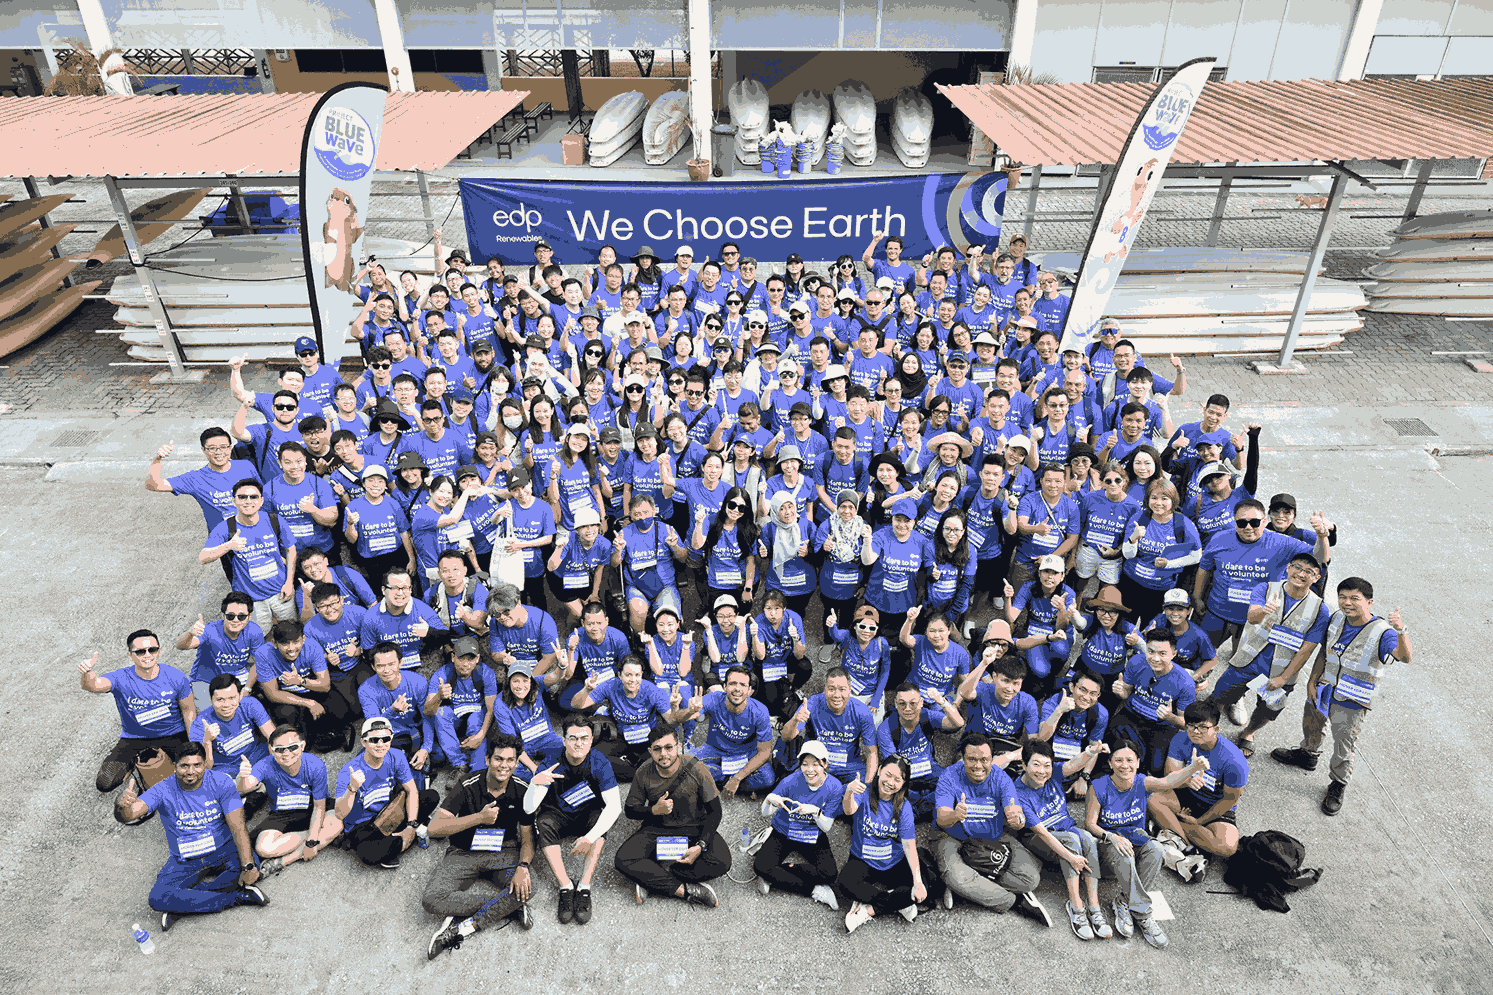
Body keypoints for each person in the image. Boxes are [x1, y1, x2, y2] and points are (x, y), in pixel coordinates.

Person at [1271, 577, 1411, 815]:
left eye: (1354, 598)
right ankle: (1308, 754)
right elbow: (1324, 653)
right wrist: (1312, 681)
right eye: (1343, 597)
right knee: (1312, 723)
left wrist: (1400, 631)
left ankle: (1338, 784)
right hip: (1325, 687)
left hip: (1352, 699)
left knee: (1343, 743)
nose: (1347, 603)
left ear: (1369, 602)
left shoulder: (1383, 632)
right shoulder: (1336, 618)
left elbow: (1404, 656)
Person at [113, 742, 268, 930]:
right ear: (175, 766)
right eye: (184, 766)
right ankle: (235, 898)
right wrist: (122, 807)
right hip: (185, 859)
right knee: (158, 897)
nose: (190, 771)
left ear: (205, 764)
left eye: (197, 765)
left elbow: (238, 827)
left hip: (223, 849)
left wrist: (248, 866)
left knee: (252, 866)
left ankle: (185, 904)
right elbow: (130, 815)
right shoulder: (162, 789)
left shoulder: (221, 782)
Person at [1084, 738, 1211, 948]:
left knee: (1156, 849)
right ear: (1110, 763)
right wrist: (1112, 837)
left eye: (1129, 760)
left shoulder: (1142, 782)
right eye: (1119, 760)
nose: (1125, 765)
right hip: (1108, 847)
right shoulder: (1098, 787)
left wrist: (1193, 767)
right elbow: (1090, 824)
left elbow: (1169, 782)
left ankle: (1124, 901)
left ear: (1138, 761)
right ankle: (1143, 913)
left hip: (1135, 839)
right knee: (1124, 851)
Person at [423, 736, 537, 959]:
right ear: (487, 759)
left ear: (516, 763)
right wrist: (478, 818)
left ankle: (462, 929)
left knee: (527, 887)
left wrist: (523, 866)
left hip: (503, 852)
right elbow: (434, 828)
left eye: (510, 760)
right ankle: (508, 906)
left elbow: (527, 838)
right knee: (431, 899)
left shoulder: (523, 790)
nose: (504, 765)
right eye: (498, 759)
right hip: (464, 852)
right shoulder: (467, 783)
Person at [1210, 553, 1328, 755]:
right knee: (1219, 696)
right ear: (1288, 568)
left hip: (1280, 672)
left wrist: (1284, 678)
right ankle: (1209, 729)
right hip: (1247, 661)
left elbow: (1307, 648)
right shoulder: (1265, 588)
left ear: (1317, 578)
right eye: (1297, 567)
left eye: (1309, 571)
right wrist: (1264, 610)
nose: (1301, 573)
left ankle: (1248, 733)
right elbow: (1252, 617)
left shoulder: (1320, 610)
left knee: (1269, 709)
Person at [524, 715, 623, 925]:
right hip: (557, 813)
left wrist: (590, 837)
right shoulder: (552, 760)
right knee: (542, 823)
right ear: (564, 740)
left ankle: (584, 886)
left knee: (601, 820)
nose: (579, 743)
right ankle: (566, 886)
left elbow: (615, 807)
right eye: (573, 738)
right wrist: (535, 784)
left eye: (584, 738)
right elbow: (529, 808)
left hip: (587, 812)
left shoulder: (599, 761)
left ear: (591, 740)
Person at [616, 724, 728, 908]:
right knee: (623, 859)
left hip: (693, 828)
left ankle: (651, 877)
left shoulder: (696, 768)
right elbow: (630, 809)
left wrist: (700, 846)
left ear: (678, 746)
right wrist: (653, 811)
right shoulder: (643, 772)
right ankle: (686, 890)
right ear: (650, 751)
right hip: (658, 828)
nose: (664, 754)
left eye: (669, 747)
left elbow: (715, 812)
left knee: (722, 862)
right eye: (657, 749)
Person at [1010, 741, 1109, 940]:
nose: (1042, 771)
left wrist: (1092, 751)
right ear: (1024, 764)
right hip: (1038, 838)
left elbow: (1073, 764)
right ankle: (1076, 906)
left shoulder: (1053, 772)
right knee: (1072, 840)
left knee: (1088, 838)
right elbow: (1042, 833)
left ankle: (1094, 905)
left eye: (1047, 765)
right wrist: (1072, 858)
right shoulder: (1018, 793)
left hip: (1066, 829)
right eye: (1036, 764)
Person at [81, 632, 194, 795]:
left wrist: (194, 744)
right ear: (130, 655)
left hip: (174, 734)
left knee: (191, 777)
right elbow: (93, 685)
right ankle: (135, 763)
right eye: (140, 651)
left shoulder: (175, 676)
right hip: (135, 738)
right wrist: (87, 673)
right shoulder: (120, 677)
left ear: (159, 651)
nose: (147, 655)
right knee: (105, 782)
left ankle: (164, 763)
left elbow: (188, 710)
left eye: (152, 650)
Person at [839, 757, 938, 932]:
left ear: (903, 783)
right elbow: (849, 810)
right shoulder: (864, 791)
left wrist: (916, 882)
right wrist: (849, 791)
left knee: (923, 887)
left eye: (897, 779)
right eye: (888, 775)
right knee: (844, 884)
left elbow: (909, 845)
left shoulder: (904, 807)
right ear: (879, 771)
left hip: (893, 860)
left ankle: (867, 910)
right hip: (863, 858)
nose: (890, 783)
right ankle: (897, 902)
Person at [335, 716, 441, 869]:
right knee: (368, 854)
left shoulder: (396, 756)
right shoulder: (348, 771)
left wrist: (410, 826)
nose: (380, 744)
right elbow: (339, 814)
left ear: (391, 739)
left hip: (391, 811)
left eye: (385, 739)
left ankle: (401, 839)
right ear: (363, 742)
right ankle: (408, 835)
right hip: (364, 825)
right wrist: (352, 789)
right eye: (373, 740)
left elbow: (411, 790)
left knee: (431, 796)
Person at [235, 724, 341, 876]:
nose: (286, 753)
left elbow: (319, 806)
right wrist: (242, 777)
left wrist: (312, 842)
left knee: (337, 821)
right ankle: (323, 838)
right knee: (262, 848)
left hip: (311, 807)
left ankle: (282, 861)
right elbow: (243, 788)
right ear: (271, 750)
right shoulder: (265, 765)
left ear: (302, 746)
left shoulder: (316, 765)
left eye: (293, 747)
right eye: (279, 749)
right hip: (282, 813)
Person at [1147, 700, 1248, 859]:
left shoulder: (1234, 760)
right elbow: (1170, 774)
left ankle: (1169, 825)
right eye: (1191, 726)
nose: (1196, 731)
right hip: (1184, 794)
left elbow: (1230, 799)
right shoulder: (1180, 739)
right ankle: (1187, 847)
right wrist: (1186, 780)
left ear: (1216, 729)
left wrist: (1199, 821)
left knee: (1228, 847)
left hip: (1214, 803)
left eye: (1203, 727)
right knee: (1152, 797)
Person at [754, 740, 845, 908]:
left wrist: (815, 812)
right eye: (805, 764)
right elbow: (765, 813)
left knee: (830, 874)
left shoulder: (835, 787)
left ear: (825, 764)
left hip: (813, 832)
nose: (810, 770)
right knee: (760, 866)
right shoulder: (790, 781)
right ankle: (814, 890)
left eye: (815, 764)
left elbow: (826, 827)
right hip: (784, 830)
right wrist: (770, 801)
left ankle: (777, 874)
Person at [200, 478, 298, 633]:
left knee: (291, 632)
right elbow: (203, 557)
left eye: (253, 497)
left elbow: (290, 550)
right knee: (259, 638)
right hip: (251, 601)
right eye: (242, 497)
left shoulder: (274, 520)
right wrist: (229, 545)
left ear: (261, 500)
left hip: (281, 593)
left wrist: (289, 582)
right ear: (234, 501)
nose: (248, 501)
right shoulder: (226, 527)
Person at [574, 655, 688, 781]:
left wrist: (674, 707)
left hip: (647, 739)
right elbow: (578, 704)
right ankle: (634, 767)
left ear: (641, 675)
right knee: (592, 756)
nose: (633, 680)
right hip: (622, 736)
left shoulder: (652, 691)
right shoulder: (611, 685)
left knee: (663, 764)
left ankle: (632, 766)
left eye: (637, 675)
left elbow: (672, 721)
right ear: (620, 675)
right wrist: (586, 690)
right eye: (628, 675)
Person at [1110, 629, 1197, 776]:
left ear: (1173, 654)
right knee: (1111, 753)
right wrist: (1121, 692)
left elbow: (1186, 724)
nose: (1155, 659)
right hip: (1131, 714)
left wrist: (1171, 717)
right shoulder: (1136, 662)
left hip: (1161, 725)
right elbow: (1127, 692)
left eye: (1162, 654)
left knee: (1156, 768)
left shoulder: (1185, 683)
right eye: (1151, 652)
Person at [145, 427, 261, 535]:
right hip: (226, 538)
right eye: (212, 448)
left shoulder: (246, 466)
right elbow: (154, 485)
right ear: (204, 450)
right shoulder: (196, 479)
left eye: (223, 447)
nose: (218, 452)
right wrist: (157, 459)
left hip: (258, 531)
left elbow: (262, 495)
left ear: (230, 448)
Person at [682, 665, 776, 796]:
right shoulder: (714, 698)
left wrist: (737, 778)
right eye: (732, 683)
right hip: (715, 750)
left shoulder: (760, 711)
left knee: (768, 778)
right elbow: (681, 718)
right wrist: (687, 711)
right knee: (684, 764)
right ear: (724, 687)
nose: (737, 688)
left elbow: (764, 752)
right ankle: (725, 779)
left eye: (743, 685)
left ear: (750, 690)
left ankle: (716, 778)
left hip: (746, 754)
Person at [875, 681, 964, 816]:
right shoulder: (886, 728)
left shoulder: (927, 716)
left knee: (954, 785)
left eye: (913, 703)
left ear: (921, 702)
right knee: (890, 794)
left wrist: (941, 701)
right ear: (895, 704)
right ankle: (927, 805)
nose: (908, 708)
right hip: (903, 775)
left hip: (929, 768)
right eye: (902, 703)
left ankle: (917, 809)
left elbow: (958, 722)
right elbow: (893, 767)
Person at [781, 667, 879, 785]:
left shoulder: (862, 711)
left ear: (849, 690)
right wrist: (795, 720)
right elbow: (786, 737)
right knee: (792, 786)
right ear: (825, 689)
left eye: (842, 689)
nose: (837, 695)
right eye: (831, 689)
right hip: (817, 762)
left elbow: (872, 752)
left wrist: (867, 783)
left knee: (862, 785)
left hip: (848, 765)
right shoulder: (813, 703)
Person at [424, 636, 499, 776]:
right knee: (440, 713)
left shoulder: (485, 673)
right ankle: (459, 764)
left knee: (476, 719)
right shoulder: (442, 674)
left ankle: (478, 769)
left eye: (470, 659)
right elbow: (427, 712)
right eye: (461, 658)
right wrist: (438, 696)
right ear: (453, 657)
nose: (465, 664)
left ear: (477, 658)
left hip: (477, 716)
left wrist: (481, 735)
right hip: (455, 717)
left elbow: (491, 708)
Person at [178, 592, 265, 709]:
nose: (236, 620)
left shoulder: (254, 631)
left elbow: (258, 662)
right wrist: (190, 634)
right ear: (223, 615)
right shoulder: (210, 630)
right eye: (230, 616)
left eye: (241, 616)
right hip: (206, 681)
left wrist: (247, 689)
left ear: (249, 617)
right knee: (207, 713)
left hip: (235, 679)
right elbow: (182, 646)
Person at [190, 676, 273, 772]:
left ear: (240, 695)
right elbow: (206, 767)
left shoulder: (250, 704)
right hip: (227, 768)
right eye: (220, 699)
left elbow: (273, 737)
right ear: (211, 700)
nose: (226, 704)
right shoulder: (200, 724)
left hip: (257, 756)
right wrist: (207, 741)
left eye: (232, 698)